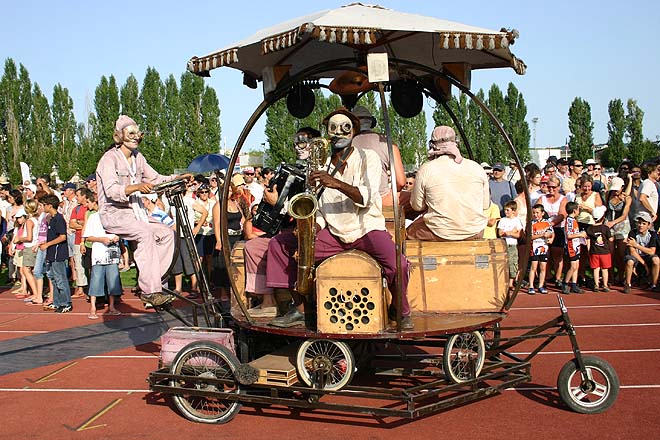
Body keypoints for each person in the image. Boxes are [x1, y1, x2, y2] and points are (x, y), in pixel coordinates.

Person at [266, 108, 412, 329]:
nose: (338, 133)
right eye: (332, 128)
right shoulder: (319, 165)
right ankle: (301, 308)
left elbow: (367, 197)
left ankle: (401, 310)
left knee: (398, 264)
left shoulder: (367, 157)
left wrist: (335, 183)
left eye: (344, 128)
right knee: (280, 245)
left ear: (353, 131)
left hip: (367, 229)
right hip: (333, 232)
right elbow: (320, 207)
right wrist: (314, 225)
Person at [96, 115, 184, 307]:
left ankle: (157, 284)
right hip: (114, 213)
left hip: (136, 214)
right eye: (131, 133)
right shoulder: (108, 159)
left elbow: (156, 178)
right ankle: (150, 290)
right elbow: (112, 191)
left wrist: (179, 178)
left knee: (167, 233)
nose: (136, 137)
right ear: (119, 136)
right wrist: (136, 187)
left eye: (138, 133)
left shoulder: (139, 158)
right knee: (144, 234)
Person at [407, 125, 489, 241]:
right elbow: (485, 205)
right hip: (475, 231)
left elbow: (417, 206)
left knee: (407, 233)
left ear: (432, 145)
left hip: (439, 232)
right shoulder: (476, 168)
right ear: (456, 142)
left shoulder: (426, 169)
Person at [351, 105, 405, 206]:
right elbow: (401, 182)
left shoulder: (346, 145)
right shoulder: (387, 142)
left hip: (353, 200)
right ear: (372, 122)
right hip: (382, 199)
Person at [82, 195, 123, 318]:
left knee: (113, 280)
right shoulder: (94, 218)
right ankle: (93, 307)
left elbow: (121, 232)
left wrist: (117, 237)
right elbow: (88, 236)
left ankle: (111, 306)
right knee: (96, 279)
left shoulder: (115, 217)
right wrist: (101, 239)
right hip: (99, 253)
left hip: (112, 252)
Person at [39, 194, 72, 313]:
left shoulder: (58, 219)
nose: (42, 207)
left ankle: (66, 303)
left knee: (60, 278)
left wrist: (48, 244)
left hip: (58, 253)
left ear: (50, 205)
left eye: (43, 205)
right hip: (51, 253)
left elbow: (62, 236)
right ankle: (57, 302)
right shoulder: (51, 219)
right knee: (53, 278)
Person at [623, 211, 660, 293]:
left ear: (649, 225)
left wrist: (636, 245)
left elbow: (652, 251)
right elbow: (632, 252)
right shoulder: (632, 233)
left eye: (644, 223)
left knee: (656, 260)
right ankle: (627, 284)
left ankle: (654, 284)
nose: (641, 225)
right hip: (636, 256)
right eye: (639, 223)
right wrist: (645, 265)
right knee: (629, 261)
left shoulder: (652, 234)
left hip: (647, 256)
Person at [605, 177, 632, 285]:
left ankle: (621, 276)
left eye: (617, 189)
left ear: (622, 188)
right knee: (610, 253)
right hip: (610, 226)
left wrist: (613, 222)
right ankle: (611, 277)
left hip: (622, 226)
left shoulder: (627, 198)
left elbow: (624, 215)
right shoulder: (609, 195)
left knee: (621, 253)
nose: (615, 191)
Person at [562, 201, 587, 294]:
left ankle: (574, 284)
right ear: (574, 210)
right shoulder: (569, 221)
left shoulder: (574, 220)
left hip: (576, 245)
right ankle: (565, 283)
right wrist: (580, 234)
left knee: (576, 266)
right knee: (572, 267)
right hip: (571, 246)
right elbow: (569, 235)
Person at [497, 200, 524, 289]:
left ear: (513, 211)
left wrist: (511, 233)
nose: (506, 212)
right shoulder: (503, 220)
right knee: (503, 263)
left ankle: (511, 283)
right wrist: (510, 232)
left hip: (512, 245)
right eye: (505, 210)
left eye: (508, 210)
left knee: (513, 263)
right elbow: (500, 233)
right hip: (503, 245)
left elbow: (519, 234)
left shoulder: (517, 220)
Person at [528, 204, 554, 295]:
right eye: (534, 213)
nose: (535, 215)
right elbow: (531, 236)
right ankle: (531, 286)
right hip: (534, 247)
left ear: (542, 213)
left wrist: (551, 239)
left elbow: (551, 233)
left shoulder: (547, 223)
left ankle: (541, 285)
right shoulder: (531, 223)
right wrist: (542, 235)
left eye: (537, 213)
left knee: (543, 267)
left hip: (544, 248)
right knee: (533, 267)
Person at [586, 206, 613, 292]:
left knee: (596, 269)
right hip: (605, 252)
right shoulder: (605, 228)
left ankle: (596, 284)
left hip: (594, 252)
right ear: (603, 218)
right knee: (605, 269)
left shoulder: (590, 228)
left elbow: (588, 240)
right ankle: (605, 285)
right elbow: (610, 239)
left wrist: (589, 250)